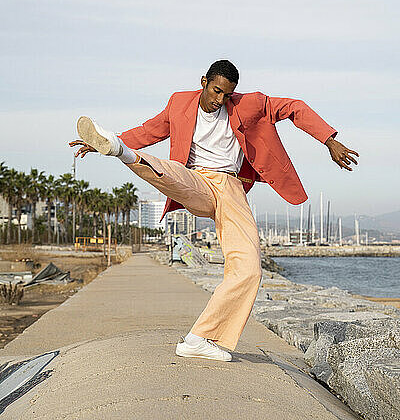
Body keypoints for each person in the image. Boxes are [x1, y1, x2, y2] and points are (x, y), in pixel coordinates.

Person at [69, 59, 359, 362]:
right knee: (171, 174)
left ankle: (199, 338)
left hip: (231, 190)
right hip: (195, 180)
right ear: (204, 81)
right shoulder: (179, 103)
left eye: (226, 95)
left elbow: (295, 107)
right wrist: (102, 143)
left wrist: (329, 139)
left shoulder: (250, 104)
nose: (219, 100)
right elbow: (149, 131)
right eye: (216, 92)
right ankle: (119, 149)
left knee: (249, 270)